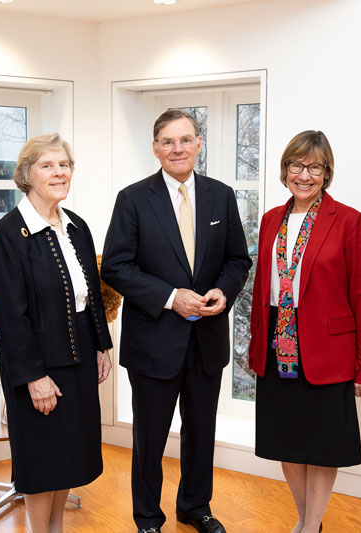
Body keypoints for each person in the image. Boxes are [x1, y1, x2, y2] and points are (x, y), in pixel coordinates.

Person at [101, 109, 251, 533]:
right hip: (153, 344)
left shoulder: (221, 196)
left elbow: (238, 259)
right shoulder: (132, 199)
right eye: (168, 142)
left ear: (199, 144)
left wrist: (224, 290)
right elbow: (115, 266)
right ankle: (147, 518)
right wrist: (169, 298)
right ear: (155, 148)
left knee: (201, 434)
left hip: (207, 341)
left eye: (185, 140)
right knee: (149, 439)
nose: (177, 148)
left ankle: (195, 507)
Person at [248, 130, 361, 533]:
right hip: (278, 349)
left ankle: (310, 526)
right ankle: (308, 521)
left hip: (327, 353)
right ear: (285, 169)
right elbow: (261, 289)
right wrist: (255, 349)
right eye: (296, 165)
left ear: (327, 173)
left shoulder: (350, 221)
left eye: (315, 167)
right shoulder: (271, 220)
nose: (304, 175)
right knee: (288, 443)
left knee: (321, 448)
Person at [0, 134, 113, 533]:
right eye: (48, 165)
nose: (59, 172)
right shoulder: (8, 234)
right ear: (26, 175)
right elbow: (8, 317)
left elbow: (91, 294)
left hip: (77, 360)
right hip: (37, 370)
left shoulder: (77, 227)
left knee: (67, 460)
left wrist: (102, 345)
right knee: (42, 465)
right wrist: (34, 377)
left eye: (64, 165)